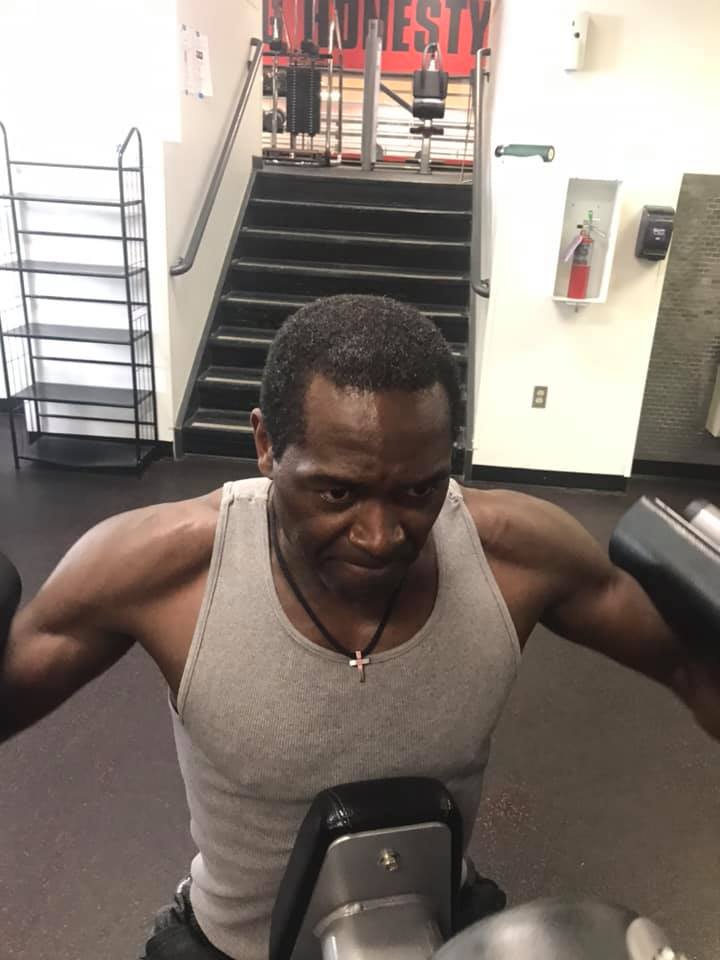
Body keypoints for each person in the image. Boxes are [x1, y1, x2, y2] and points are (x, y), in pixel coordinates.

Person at [1, 294, 718, 960]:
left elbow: (692, 669)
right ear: (265, 444)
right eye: (337, 492)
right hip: (235, 947)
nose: (381, 536)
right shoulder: (160, 567)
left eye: (418, 490)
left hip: (441, 931)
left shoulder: (518, 553)